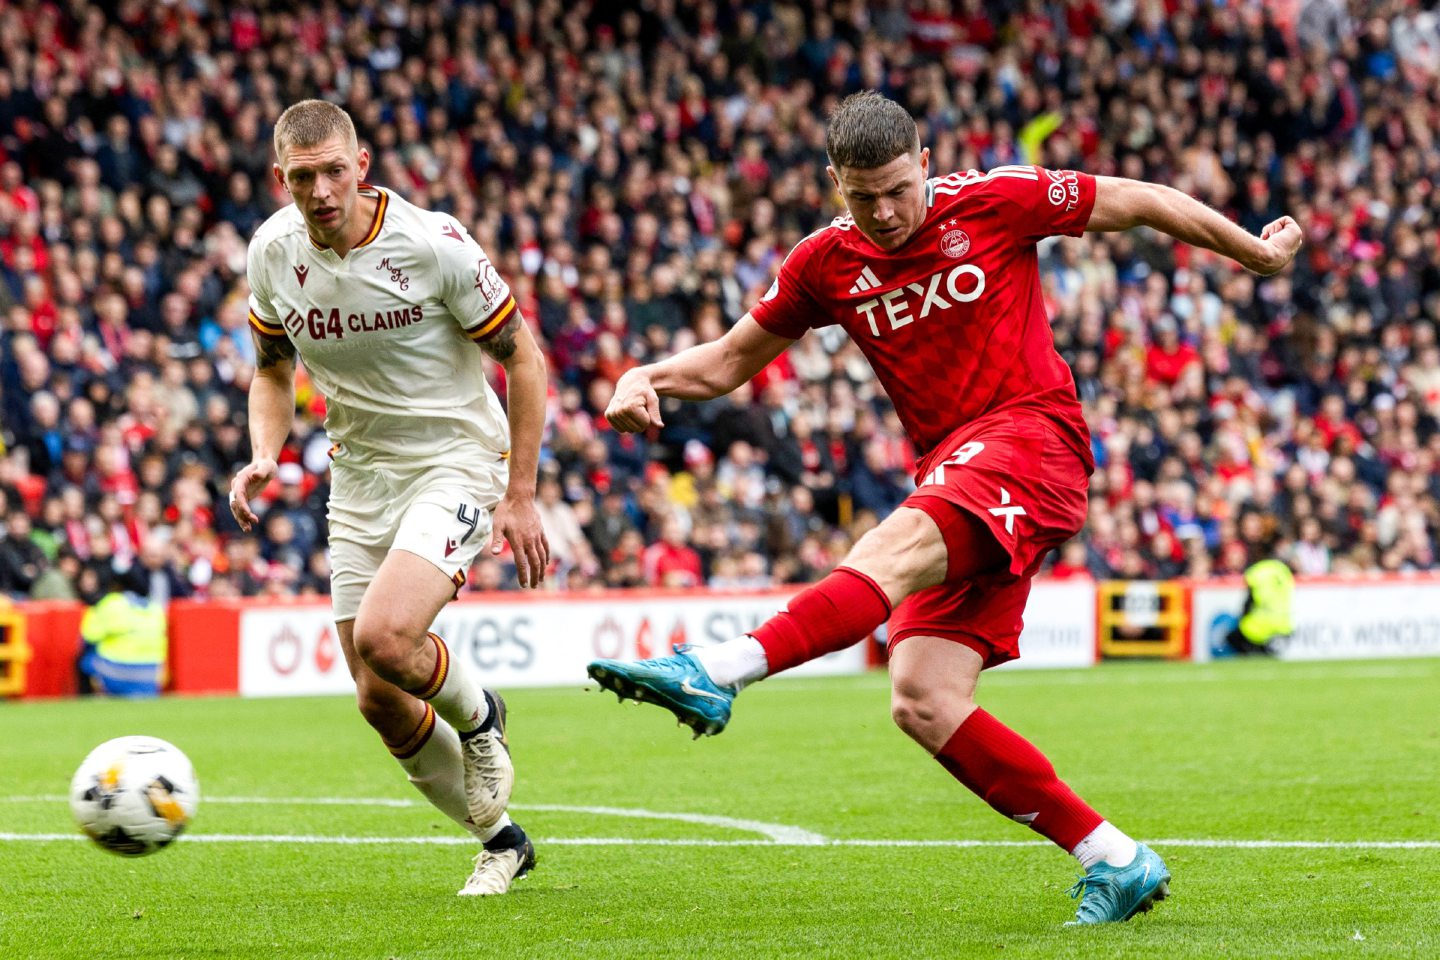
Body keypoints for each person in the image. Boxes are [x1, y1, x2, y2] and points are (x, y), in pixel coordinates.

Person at [589, 91, 1302, 925]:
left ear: (925, 164)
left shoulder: (997, 200)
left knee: (889, 550)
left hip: (1033, 439)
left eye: (898, 189)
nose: (886, 212)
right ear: (834, 185)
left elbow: (1138, 198)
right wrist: (645, 376)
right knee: (922, 696)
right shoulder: (824, 263)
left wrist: (1253, 254)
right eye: (863, 198)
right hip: (956, 471)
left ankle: (716, 671)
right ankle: (1115, 857)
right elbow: (725, 362)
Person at [229, 100, 550, 896]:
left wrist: (521, 495)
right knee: (377, 697)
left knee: (386, 636)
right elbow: (271, 368)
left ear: (361, 165)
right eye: (303, 177)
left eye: (335, 170)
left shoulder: (433, 242)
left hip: (454, 461)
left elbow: (526, 359)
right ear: (282, 180)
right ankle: (501, 840)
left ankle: (481, 719)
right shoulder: (271, 252)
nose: (322, 190)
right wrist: (265, 452)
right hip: (360, 477)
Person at [77, 569, 166, 697]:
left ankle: (93, 695)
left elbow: (88, 636)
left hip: (116, 673)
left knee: (86, 658)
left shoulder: (111, 603)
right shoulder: (155, 609)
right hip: (150, 676)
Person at [1220, 557, 1295, 656]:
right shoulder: (1283, 569)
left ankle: (1253, 655)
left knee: (1231, 637)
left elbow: (1249, 601)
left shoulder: (1256, 571)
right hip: (1284, 625)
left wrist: (1242, 616)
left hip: (1260, 626)